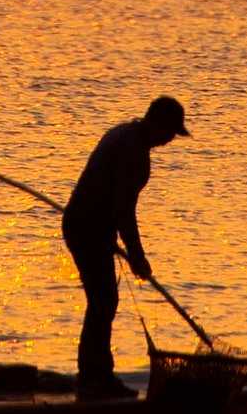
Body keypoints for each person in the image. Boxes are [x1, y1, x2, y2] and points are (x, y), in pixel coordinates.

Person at [60, 94, 189, 397]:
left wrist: (118, 242)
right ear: (157, 124)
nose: (170, 140)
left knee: (103, 301)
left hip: (89, 226)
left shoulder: (124, 134)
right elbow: (123, 209)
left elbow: (115, 205)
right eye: (170, 132)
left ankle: (95, 374)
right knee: (103, 301)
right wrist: (137, 256)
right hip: (87, 228)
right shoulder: (133, 151)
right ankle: (94, 378)